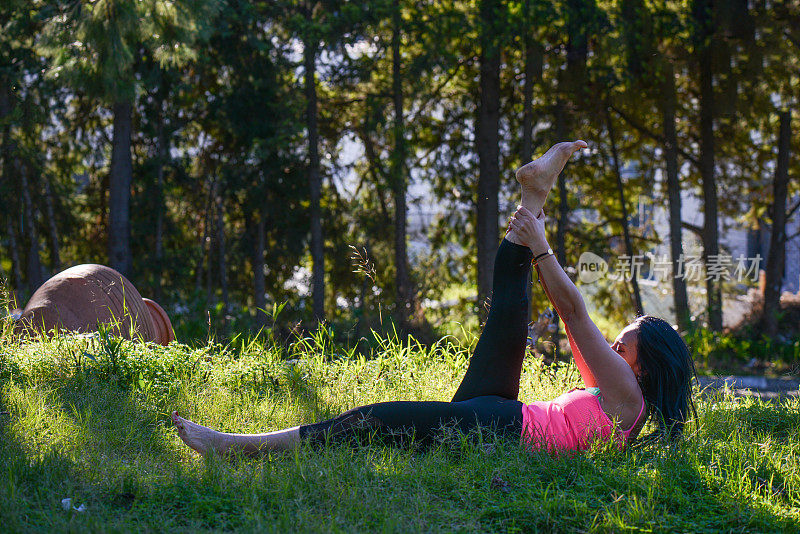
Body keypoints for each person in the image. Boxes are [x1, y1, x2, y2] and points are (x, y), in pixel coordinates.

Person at [172, 140, 696, 457]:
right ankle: (533, 190)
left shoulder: (627, 394)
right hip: (504, 418)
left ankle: (238, 447)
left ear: (645, 363)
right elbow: (570, 318)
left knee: (375, 420)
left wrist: (542, 247)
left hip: (505, 430)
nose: (614, 346)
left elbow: (574, 312)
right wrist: (535, 235)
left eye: (623, 344)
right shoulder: (621, 399)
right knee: (507, 322)